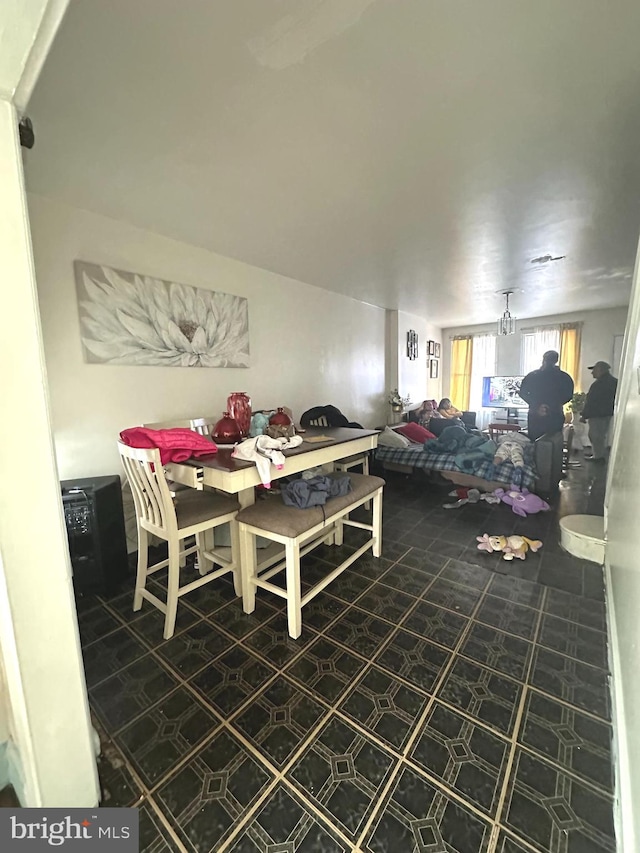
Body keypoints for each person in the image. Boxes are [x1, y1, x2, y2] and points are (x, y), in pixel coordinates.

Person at [519, 350, 574, 441]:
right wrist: (555, 404)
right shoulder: (564, 377)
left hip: (537, 413)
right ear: (556, 360)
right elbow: (568, 395)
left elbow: (523, 393)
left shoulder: (532, 376)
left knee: (535, 442)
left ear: (543, 359)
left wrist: (536, 405)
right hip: (555, 413)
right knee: (554, 443)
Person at [580, 361, 618, 462]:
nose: (592, 373)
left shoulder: (598, 384)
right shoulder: (615, 382)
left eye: (594, 370)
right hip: (607, 413)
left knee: (595, 436)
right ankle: (598, 454)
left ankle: (598, 457)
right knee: (600, 435)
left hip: (597, 415)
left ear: (600, 370)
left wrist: (584, 415)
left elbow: (591, 401)